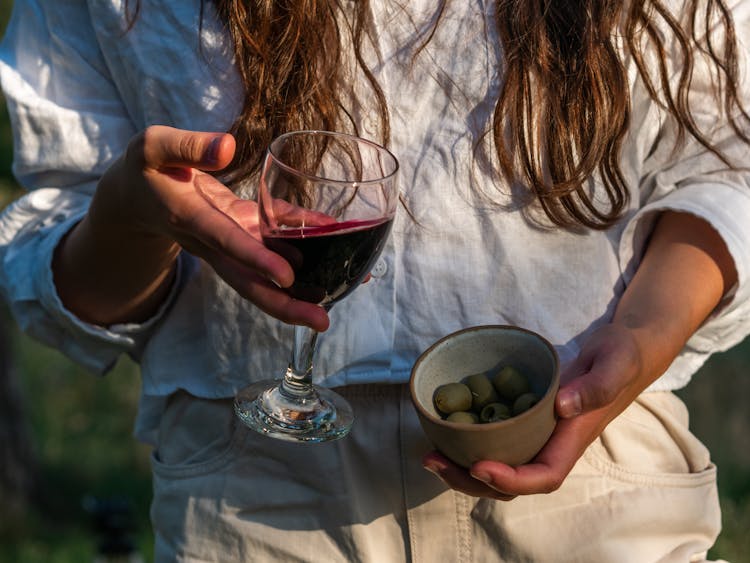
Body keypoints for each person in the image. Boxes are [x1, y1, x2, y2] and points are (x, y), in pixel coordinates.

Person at [1, 0, 749, 561]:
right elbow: (69, 271)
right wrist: (133, 216)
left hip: (593, 473)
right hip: (259, 502)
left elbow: (724, 170)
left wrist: (639, 341)